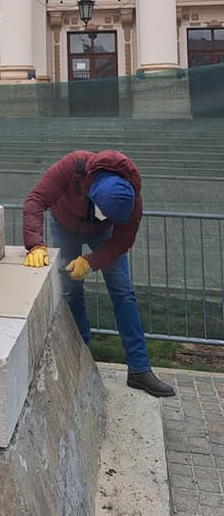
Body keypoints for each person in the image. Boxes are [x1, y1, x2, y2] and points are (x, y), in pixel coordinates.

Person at [23, 149, 175, 397]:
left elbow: (122, 241)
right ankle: (80, 359)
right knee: (72, 293)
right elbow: (35, 200)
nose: (104, 216)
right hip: (65, 226)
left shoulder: (132, 199)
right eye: (103, 211)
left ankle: (139, 369)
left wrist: (91, 261)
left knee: (123, 293)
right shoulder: (73, 166)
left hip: (104, 235)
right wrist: (35, 245)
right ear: (92, 189)